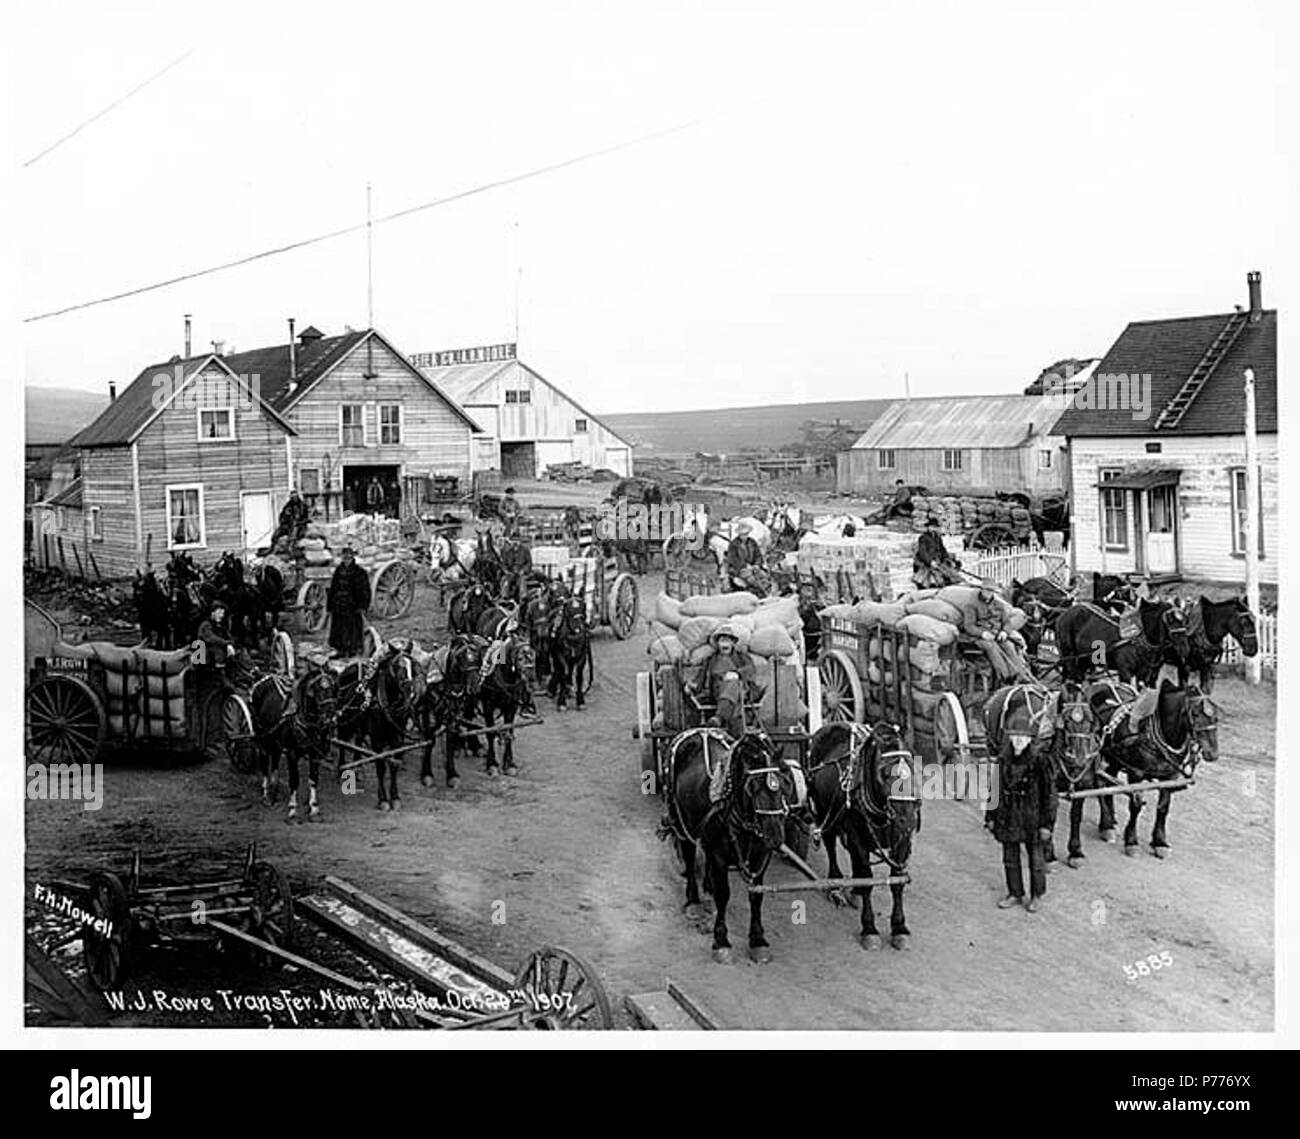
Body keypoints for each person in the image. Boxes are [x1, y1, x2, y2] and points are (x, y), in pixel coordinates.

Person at [986, 727, 1057, 913]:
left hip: (1032, 818)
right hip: (1008, 817)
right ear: (1009, 738)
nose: (1019, 740)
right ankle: (1015, 893)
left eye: (1023, 736)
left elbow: (1050, 795)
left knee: (1036, 860)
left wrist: (1047, 824)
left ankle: (1036, 895)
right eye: (1015, 736)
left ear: (1029, 740)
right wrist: (991, 816)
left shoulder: (1040, 761)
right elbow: (994, 790)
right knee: (1010, 858)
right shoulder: (1002, 761)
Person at [686, 623, 763, 739]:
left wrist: (737, 674)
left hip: (741, 690)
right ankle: (737, 737)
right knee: (736, 705)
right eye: (722, 641)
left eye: (728, 640)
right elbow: (700, 680)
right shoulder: (710, 660)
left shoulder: (742, 657)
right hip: (717, 692)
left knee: (733, 686)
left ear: (733, 643)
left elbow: (751, 670)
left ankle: (720, 718)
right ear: (717, 644)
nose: (725, 644)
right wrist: (692, 686)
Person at [953, 584, 1034, 682]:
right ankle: (1005, 677)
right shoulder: (971, 606)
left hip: (997, 634)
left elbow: (1007, 622)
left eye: (991, 591)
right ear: (982, 590)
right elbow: (969, 626)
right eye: (986, 590)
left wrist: (1004, 632)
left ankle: (1020, 674)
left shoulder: (999, 605)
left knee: (1008, 645)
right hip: (978, 637)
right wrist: (982, 634)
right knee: (990, 647)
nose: (988, 593)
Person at [327, 546, 372, 657]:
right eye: (345, 557)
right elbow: (333, 588)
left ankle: (353, 650)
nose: (347, 559)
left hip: (353, 606)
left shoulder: (360, 572)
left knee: (353, 629)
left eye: (349, 557)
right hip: (339, 605)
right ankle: (340, 650)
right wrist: (330, 606)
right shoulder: (338, 571)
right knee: (339, 629)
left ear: (352, 557)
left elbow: (365, 591)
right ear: (342, 558)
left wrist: (363, 606)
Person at [913, 519, 963, 587]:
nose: (933, 529)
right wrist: (930, 562)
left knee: (951, 571)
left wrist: (948, 559)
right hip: (927, 561)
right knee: (938, 575)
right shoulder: (923, 538)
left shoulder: (938, 538)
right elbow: (923, 552)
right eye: (931, 527)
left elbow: (943, 550)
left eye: (934, 527)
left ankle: (956, 581)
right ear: (928, 528)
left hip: (938, 560)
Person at [724, 521, 764, 590]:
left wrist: (757, 564)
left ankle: (767, 592)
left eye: (746, 534)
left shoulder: (752, 542)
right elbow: (733, 560)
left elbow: (758, 555)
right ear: (739, 534)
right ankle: (760, 592)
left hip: (753, 567)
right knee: (752, 579)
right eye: (742, 534)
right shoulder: (733, 544)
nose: (744, 536)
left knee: (763, 576)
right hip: (739, 569)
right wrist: (745, 566)